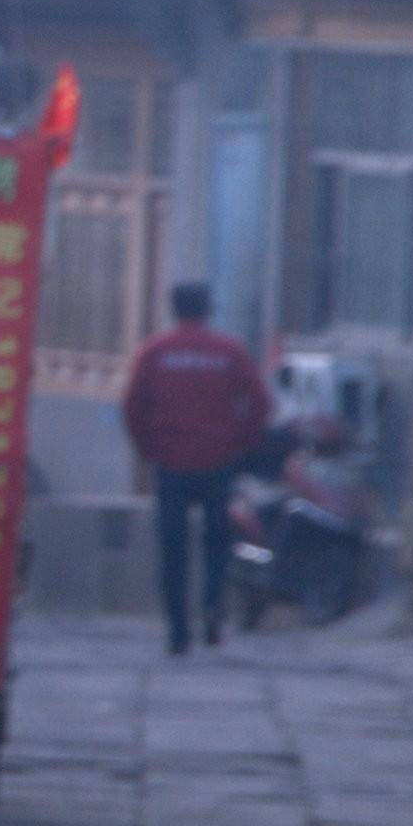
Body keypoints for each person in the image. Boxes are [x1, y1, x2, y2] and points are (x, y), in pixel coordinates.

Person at [122, 281, 273, 658]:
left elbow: (132, 406)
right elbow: (260, 402)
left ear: (173, 308)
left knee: (173, 548)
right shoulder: (230, 351)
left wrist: (147, 448)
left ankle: (177, 631)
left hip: (170, 462)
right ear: (208, 308)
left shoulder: (155, 351)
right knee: (217, 542)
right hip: (218, 462)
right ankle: (212, 612)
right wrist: (242, 442)